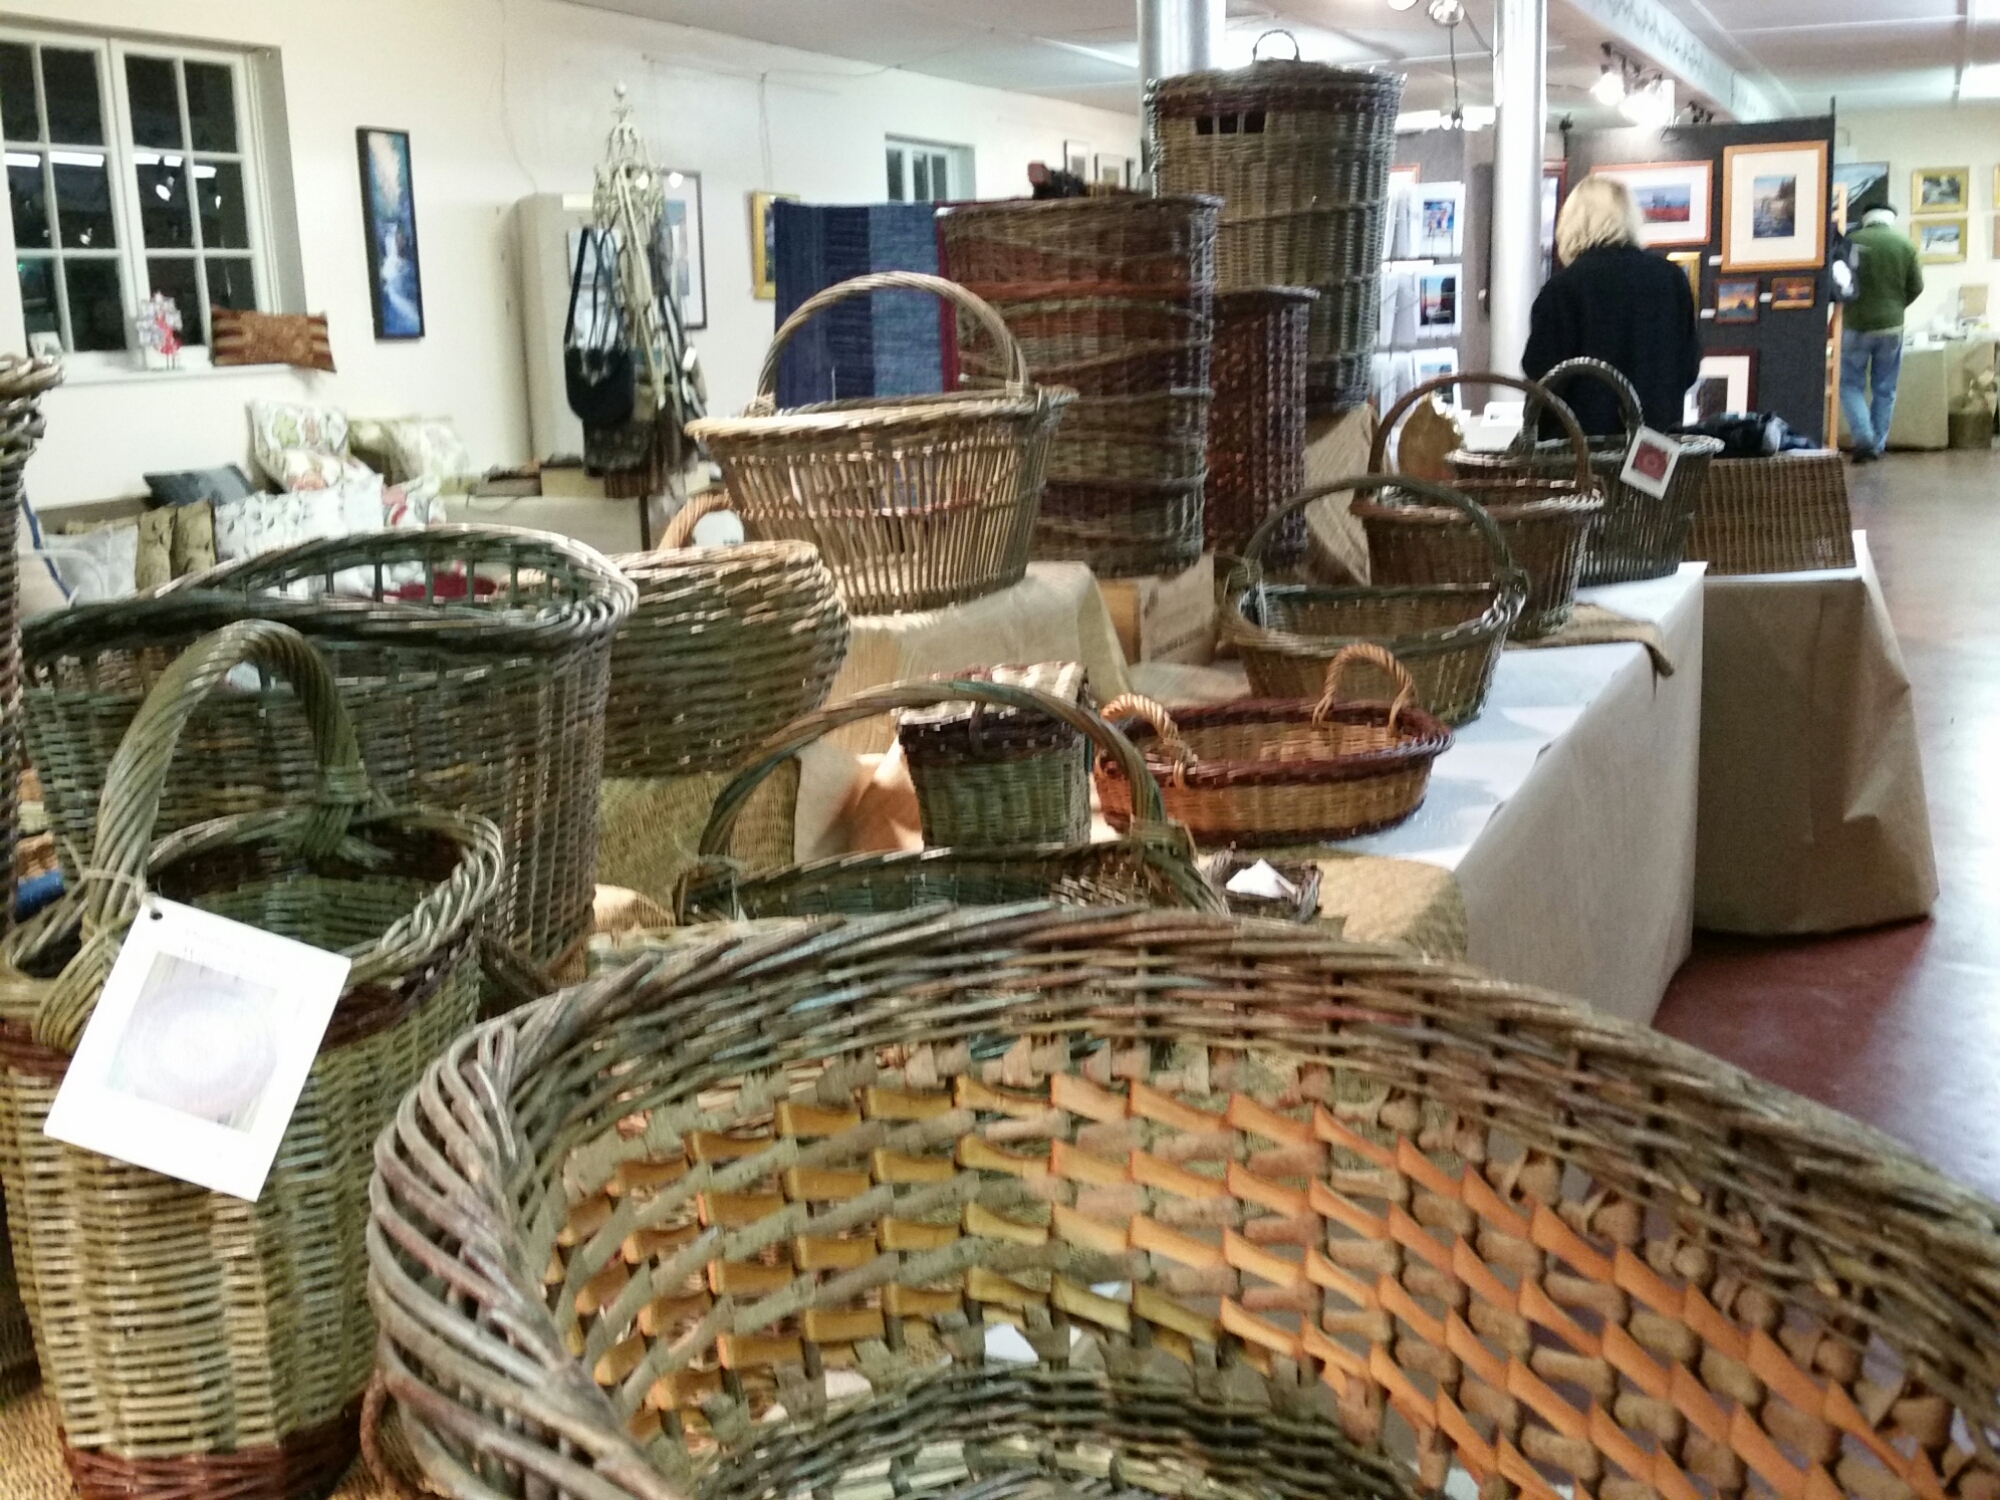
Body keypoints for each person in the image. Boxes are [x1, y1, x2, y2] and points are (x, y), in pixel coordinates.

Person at [1523, 174, 1701, 436]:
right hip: (1654, 445)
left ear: (1572, 222)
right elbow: (1688, 369)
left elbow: (1544, 381)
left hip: (1581, 448)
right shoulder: (1672, 280)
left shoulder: (1564, 288)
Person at [1840, 205, 1923, 463]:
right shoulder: (1905, 244)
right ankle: (1877, 444)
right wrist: (1896, 307)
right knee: (1885, 388)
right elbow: (1917, 286)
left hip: (1855, 324)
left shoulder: (1851, 241)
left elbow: (1839, 282)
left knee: (1850, 384)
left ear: (1865, 218)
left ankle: (1863, 437)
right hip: (1892, 327)